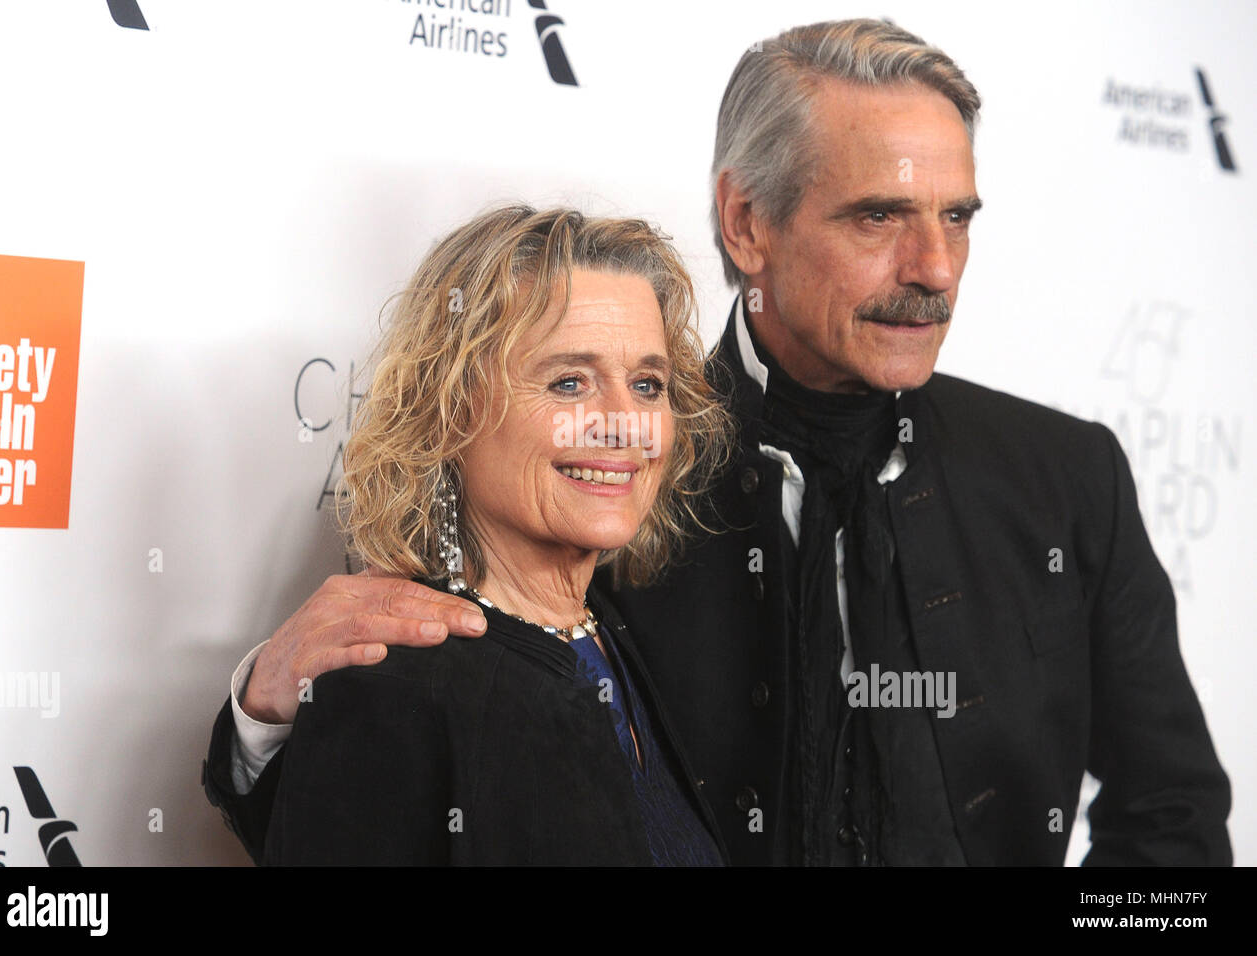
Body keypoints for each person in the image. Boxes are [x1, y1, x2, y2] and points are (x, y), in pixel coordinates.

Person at [204, 19, 1232, 866]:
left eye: (955, 217)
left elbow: (1174, 814)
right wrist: (264, 707)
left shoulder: (1062, 478)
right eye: (879, 217)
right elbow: (402, 794)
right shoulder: (605, 475)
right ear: (747, 223)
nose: (934, 268)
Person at [239, 204, 733, 864]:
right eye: (569, 382)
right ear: (447, 408)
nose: (627, 425)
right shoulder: (387, 688)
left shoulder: (623, 633)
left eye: (648, 384)